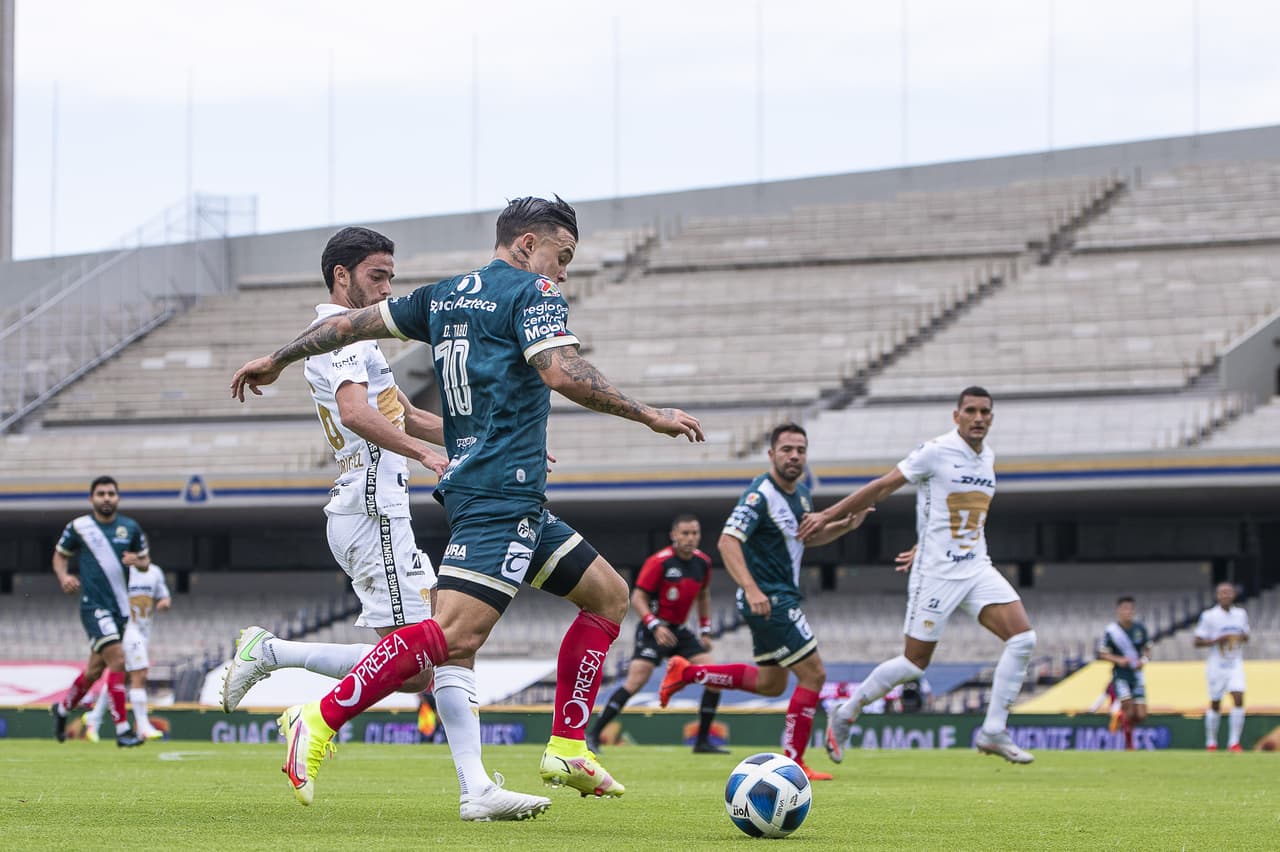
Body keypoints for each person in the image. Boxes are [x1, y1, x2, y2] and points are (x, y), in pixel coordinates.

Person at [230, 196, 703, 807]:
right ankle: (317, 718)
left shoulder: (444, 295)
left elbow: (345, 326)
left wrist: (278, 357)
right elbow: (560, 372)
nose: (563, 273)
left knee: (609, 596)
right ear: (528, 244)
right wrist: (650, 414)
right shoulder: (532, 294)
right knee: (451, 639)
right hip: (498, 497)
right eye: (563, 257)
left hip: (513, 496)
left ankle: (566, 746)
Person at [220, 226, 550, 821]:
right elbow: (356, 413)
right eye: (378, 275)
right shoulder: (341, 339)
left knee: (429, 657)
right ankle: (278, 665)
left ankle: (474, 788)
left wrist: (496, 439)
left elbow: (409, 413)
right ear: (341, 276)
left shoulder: (357, 342)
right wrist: (424, 455)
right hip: (372, 507)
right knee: (423, 658)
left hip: (374, 507)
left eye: (392, 276)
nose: (388, 287)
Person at [805, 387, 1038, 765]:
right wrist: (826, 515)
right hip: (936, 574)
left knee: (1023, 639)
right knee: (914, 664)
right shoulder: (935, 451)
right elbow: (881, 487)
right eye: (971, 411)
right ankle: (846, 711)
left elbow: (959, 515)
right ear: (956, 415)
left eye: (985, 412)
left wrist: (926, 538)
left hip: (977, 566)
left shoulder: (987, 457)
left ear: (991, 418)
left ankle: (993, 731)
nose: (979, 418)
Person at [657, 423, 868, 780]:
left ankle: (688, 672)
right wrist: (753, 590)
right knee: (814, 674)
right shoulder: (760, 495)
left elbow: (804, 539)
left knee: (771, 684)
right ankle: (794, 760)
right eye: (787, 449)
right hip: (771, 600)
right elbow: (727, 542)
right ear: (771, 454)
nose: (794, 456)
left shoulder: (801, 494)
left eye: (800, 449)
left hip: (775, 599)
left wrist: (845, 526)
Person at [587, 514, 726, 755]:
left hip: (679, 630)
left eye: (695, 533)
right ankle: (593, 735)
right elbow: (638, 597)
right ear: (674, 535)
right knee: (636, 681)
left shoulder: (703, 563)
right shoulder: (659, 562)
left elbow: (703, 596)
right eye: (685, 533)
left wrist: (705, 630)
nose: (690, 538)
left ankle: (702, 742)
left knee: (714, 677)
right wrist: (655, 626)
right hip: (653, 629)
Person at [49, 476, 148, 747]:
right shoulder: (79, 527)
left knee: (93, 671)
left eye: (111, 493)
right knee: (118, 661)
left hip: (120, 610)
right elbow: (60, 555)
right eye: (101, 493)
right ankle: (123, 730)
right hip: (93, 607)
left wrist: (136, 560)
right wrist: (63, 576)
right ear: (92, 498)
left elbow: (145, 561)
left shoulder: (130, 528)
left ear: (117, 498)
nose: (106, 498)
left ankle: (61, 709)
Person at [83, 560, 171, 742]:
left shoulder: (155, 572)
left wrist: (164, 602)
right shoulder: (120, 572)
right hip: (126, 629)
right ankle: (143, 725)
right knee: (140, 673)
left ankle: (94, 718)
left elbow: (164, 595)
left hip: (144, 631)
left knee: (119, 678)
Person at [1194, 581, 1250, 752]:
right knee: (1216, 702)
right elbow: (1197, 641)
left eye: (1229, 592)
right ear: (1217, 596)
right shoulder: (1209, 616)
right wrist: (1217, 640)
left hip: (1235, 663)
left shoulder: (1241, 614)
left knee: (1238, 697)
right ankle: (1211, 742)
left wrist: (1239, 638)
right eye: (1222, 592)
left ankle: (1234, 742)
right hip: (1216, 665)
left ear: (1234, 595)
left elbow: (1246, 636)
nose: (1226, 595)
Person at [1096, 595, 1151, 751]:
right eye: (1124, 608)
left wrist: (1144, 660)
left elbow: (1148, 649)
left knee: (1140, 715)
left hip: (1137, 675)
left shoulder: (1140, 629)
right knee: (1127, 706)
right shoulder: (1112, 631)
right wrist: (1118, 660)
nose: (1127, 611)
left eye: (1130, 608)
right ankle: (1129, 745)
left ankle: (1119, 718)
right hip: (1121, 675)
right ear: (1118, 610)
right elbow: (1102, 653)